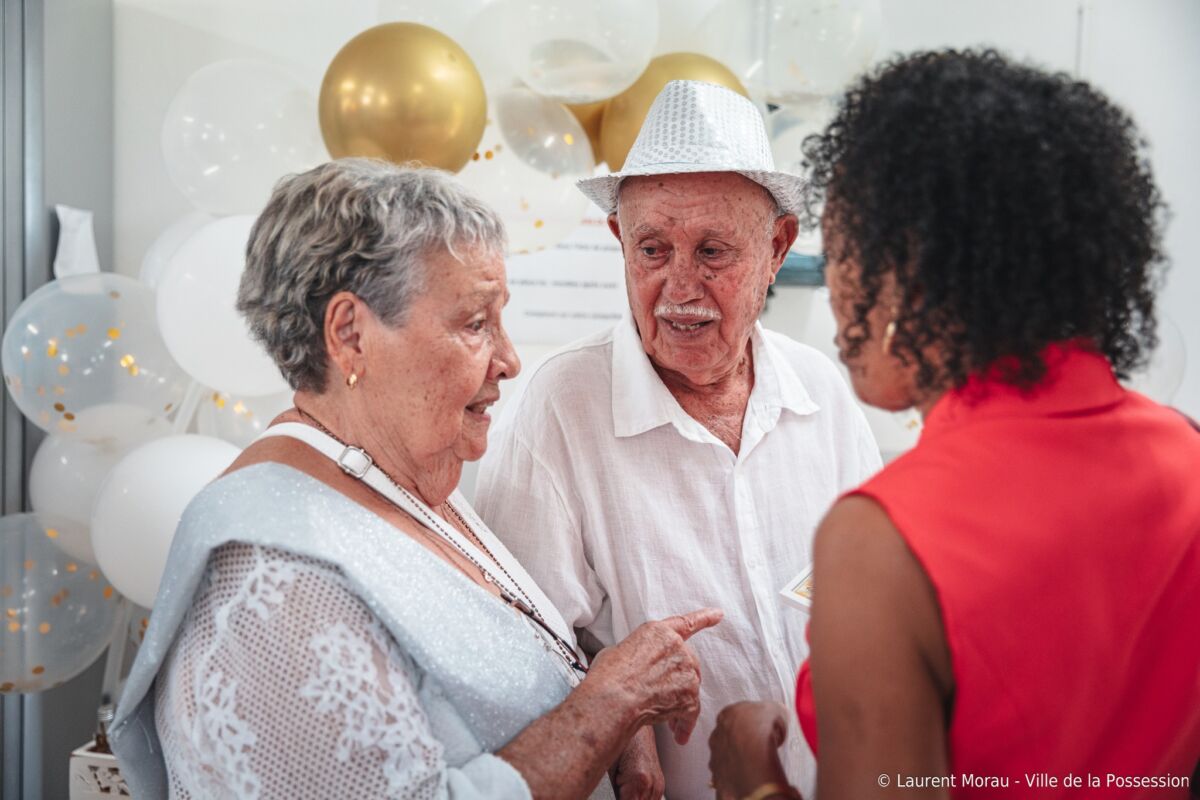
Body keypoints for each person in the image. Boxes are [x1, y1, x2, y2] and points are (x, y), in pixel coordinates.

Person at [111, 158, 725, 800]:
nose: (510, 360)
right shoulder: (272, 578)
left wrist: (608, 705)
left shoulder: (397, 478)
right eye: (476, 324)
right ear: (350, 335)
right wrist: (609, 705)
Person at [708, 49, 1200, 799]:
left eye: (841, 252)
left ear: (908, 270)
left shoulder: (883, 540)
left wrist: (755, 780)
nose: (834, 291)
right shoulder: (1185, 454)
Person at [475, 80, 881, 798]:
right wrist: (614, 712)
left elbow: (875, 599)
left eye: (713, 251)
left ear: (777, 247)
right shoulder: (561, 409)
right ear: (619, 242)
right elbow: (516, 659)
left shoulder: (823, 391)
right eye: (653, 249)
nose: (679, 288)